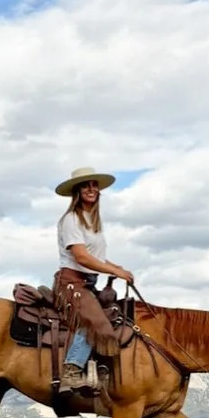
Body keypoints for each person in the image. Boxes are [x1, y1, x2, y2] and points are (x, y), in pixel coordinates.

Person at [53, 167, 135, 396]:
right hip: (70, 284)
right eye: (85, 185)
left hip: (88, 283)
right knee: (96, 321)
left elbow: (96, 257)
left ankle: (99, 371)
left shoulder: (93, 222)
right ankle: (71, 371)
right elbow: (81, 257)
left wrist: (117, 268)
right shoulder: (71, 219)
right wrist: (114, 271)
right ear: (77, 191)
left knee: (115, 314)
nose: (91, 189)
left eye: (94, 185)